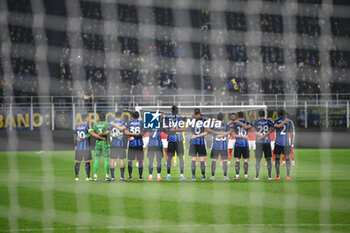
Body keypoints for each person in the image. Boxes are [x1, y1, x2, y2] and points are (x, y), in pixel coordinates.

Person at [164, 105, 187, 181]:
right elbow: (184, 128)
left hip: (171, 140)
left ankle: (168, 176)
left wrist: (173, 130)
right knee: (180, 158)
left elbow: (167, 129)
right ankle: (181, 175)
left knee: (170, 158)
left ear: (171, 111)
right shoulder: (181, 118)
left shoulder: (167, 118)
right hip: (178, 140)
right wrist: (178, 130)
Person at [207, 112, 231, 181]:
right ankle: (225, 176)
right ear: (223, 118)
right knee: (224, 161)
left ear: (217, 118)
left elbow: (208, 130)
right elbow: (230, 131)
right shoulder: (225, 125)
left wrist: (217, 133)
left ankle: (213, 176)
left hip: (215, 145)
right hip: (223, 145)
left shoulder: (214, 125)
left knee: (214, 161)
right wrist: (223, 134)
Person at [251, 110, 274, 180]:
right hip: (267, 142)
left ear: (258, 115)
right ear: (264, 114)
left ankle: (257, 176)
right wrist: (265, 135)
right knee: (268, 159)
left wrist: (260, 136)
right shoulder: (268, 121)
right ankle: (269, 176)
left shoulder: (255, 122)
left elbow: (252, 129)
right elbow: (273, 128)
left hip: (259, 142)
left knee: (258, 160)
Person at [273, 109, 295, 180]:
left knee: (277, 158)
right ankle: (288, 176)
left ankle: (277, 176)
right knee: (287, 158)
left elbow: (275, 128)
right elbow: (291, 133)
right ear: (284, 114)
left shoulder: (276, 121)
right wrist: (291, 142)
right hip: (286, 143)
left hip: (278, 142)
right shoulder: (289, 122)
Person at [73, 114, 95, 181]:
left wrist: (75, 145)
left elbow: (74, 137)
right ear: (86, 119)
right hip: (86, 148)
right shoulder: (88, 126)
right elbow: (91, 133)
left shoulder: (77, 127)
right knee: (87, 161)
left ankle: (76, 177)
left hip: (79, 148)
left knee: (77, 162)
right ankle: (87, 177)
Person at [89, 113, 110, 181]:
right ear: (105, 118)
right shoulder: (107, 124)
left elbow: (92, 133)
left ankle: (95, 176)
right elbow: (108, 132)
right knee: (106, 159)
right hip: (105, 143)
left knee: (97, 159)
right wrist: (103, 136)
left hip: (98, 143)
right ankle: (107, 176)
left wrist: (99, 137)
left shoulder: (95, 125)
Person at [189, 108, 208, 180]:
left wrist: (195, 135)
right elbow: (206, 132)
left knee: (194, 159)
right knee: (201, 159)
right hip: (200, 142)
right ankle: (203, 176)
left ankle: (194, 176)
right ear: (200, 113)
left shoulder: (191, 121)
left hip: (194, 142)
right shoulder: (204, 120)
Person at [231, 112, 252, 180]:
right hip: (245, 144)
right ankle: (246, 176)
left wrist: (239, 136)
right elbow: (248, 127)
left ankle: (237, 176)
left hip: (238, 144)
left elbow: (233, 135)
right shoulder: (247, 123)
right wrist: (243, 136)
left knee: (237, 160)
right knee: (245, 160)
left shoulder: (235, 123)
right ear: (244, 116)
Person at [125, 111, 145, 181]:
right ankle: (140, 177)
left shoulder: (129, 122)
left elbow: (126, 132)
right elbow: (143, 132)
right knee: (140, 161)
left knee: (130, 160)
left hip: (131, 143)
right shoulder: (141, 122)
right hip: (139, 144)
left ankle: (130, 177)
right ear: (138, 116)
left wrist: (132, 135)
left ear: (132, 116)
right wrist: (136, 135)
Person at [109, 111, 127, 181]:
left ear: (115, 116)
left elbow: (109, 133)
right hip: (121, 144)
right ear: (121, 116)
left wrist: (113, 136)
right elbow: (123, 129)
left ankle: (113, 177)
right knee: (121, 160)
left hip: (113, 145)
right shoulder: (123, 123)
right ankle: (122, 177)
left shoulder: (111, 124)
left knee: (112, 160)